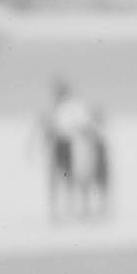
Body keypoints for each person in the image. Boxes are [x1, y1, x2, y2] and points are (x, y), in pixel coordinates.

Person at [39, 78, 110, 222]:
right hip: (62, 146)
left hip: (72, 146)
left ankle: (75, 207)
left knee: (76, 177)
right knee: (62, 177)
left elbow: (81, 125)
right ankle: (61, 209)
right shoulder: (54, 108)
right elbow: (48, 128)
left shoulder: (71, 107)